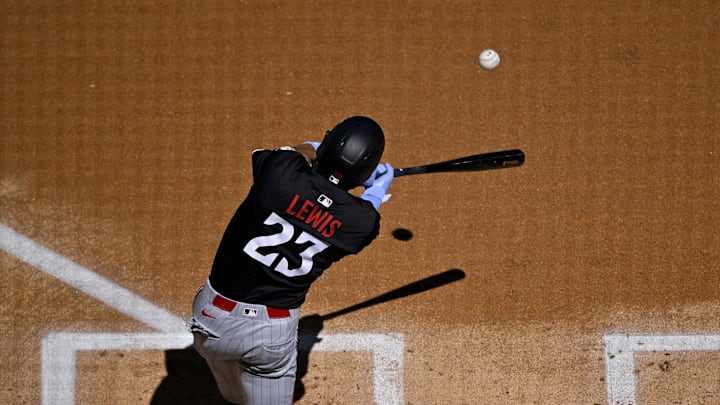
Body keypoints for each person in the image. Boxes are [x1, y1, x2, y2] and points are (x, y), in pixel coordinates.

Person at [188, 116, 394, 404]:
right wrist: (374, 190)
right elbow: (362, 212)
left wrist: (316, 147)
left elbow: (297, 152)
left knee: (233, 393)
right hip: (271, 334)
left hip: (212, 322)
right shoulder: (361, 222)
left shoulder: (279, 173)